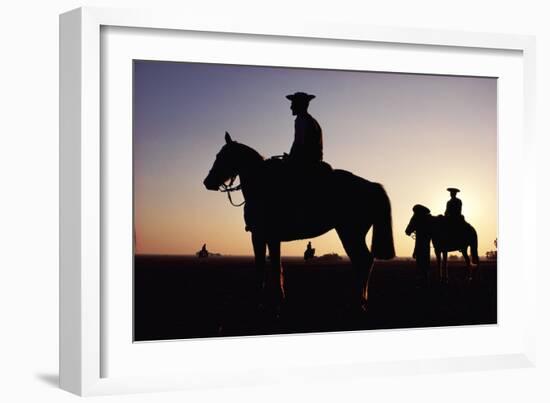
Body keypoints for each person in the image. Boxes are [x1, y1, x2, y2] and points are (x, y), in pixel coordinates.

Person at [286, 92, 323, 164]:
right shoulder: (311, 120)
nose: (291, 107)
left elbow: (299, 143)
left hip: (305, 161)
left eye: (293, 104)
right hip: (313, 159)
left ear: (300, 105)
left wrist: (291, 158)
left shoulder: (301, 120)